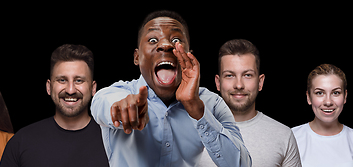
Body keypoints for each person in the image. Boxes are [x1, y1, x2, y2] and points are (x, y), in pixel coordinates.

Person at [91, 10, 251, 167]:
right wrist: (121, 110)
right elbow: (103, 104)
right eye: (153, 40)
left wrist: (196, 109)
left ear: (189, 55)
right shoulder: (113, 93)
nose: (166, 45)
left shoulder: (212, 103)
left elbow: (242, 164)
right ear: (137, 57)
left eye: (176, 40)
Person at [0, 44, 109, 167]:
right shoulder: (21, 141)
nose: (70, 90)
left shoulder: (113, 141)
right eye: (62, 80)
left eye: (79, 80)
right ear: (49, 87)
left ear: (93, 88)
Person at [200, 39, 301, 167]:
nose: (239, 85)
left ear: (260, 82)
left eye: (247, 75)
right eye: (230, 75)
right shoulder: (191, 134)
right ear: (218, 82)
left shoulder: (283, 135)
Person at [292, 63, 353, 167]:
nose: (328, 102)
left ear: (345, 96)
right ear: (309, 97)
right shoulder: (291, 137)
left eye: (336, 93)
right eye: (320, 93)